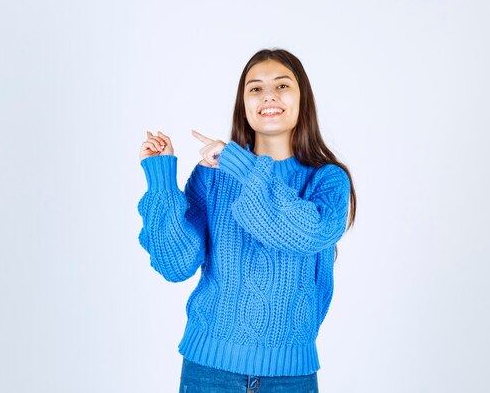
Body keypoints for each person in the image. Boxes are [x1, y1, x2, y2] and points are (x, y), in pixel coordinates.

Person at [137, 48, 356, 392]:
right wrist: (161, 178)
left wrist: (239, 164)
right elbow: (174, 264)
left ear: (303, 100)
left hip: (291, 377)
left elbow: (307, 233)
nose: (268, 95)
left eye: (282, 86)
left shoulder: (327, 180)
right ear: (244, 105)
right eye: (255, 88)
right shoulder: (212, 176)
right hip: (209, 370)